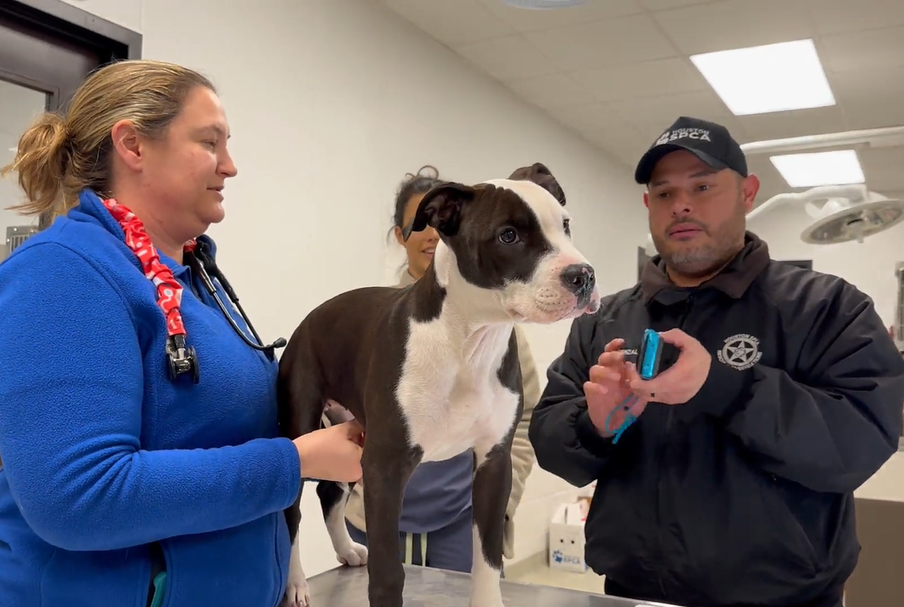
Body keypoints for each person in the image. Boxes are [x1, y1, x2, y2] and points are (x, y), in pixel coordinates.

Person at [0, 59, 363, 607]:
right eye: (209, 142)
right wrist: (294, 463)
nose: (230, 166)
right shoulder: (58, 275)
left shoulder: (194, 279)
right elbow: (80, 498)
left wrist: (313, 404)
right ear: (133, 145)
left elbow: (200, 423)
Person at [528, 116, 904, 607]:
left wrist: (728, 388)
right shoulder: (604, 321)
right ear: (648, 205)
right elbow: (550, 443)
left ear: (748, 193)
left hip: (786, 598)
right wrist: (594, 425)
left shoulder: (827, 308)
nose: (681, 204)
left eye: (702, 186)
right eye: (664, 192)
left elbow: (860, 443)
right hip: (633, 593)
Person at [324, 165, 541, 573]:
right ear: (400, 234)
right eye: (422, 223)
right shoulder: (369, 320)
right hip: (374, 518)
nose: (434, 234)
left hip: (460, 522)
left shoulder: (498, 324)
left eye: (447, 222)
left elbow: (526, 415)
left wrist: (500, 502)